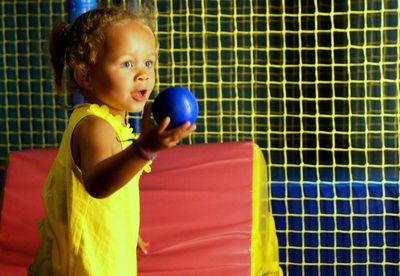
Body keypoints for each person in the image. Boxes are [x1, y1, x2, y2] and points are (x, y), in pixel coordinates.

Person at [28, 6, 196, 276]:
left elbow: (114, 189)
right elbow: (98, 184)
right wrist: (144, 148)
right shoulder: (95, 126)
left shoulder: (114, 121)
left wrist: (126, 227)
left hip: (100, 251)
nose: (143, 74)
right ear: (86, 76)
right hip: (85, 265)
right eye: (127, 64)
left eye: (148, 62)